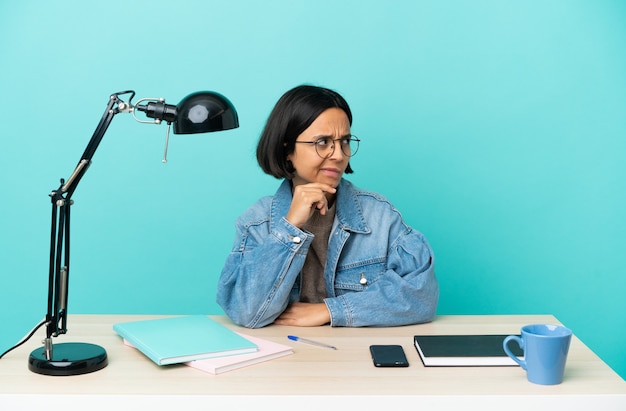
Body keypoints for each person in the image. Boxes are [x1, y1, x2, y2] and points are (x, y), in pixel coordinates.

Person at [217, 85, 438, 328]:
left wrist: (330, 311)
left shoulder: (379, 216)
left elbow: (422, 295)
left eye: (344, 141)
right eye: (322, 142)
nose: (338, 154)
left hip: (356, 356)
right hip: (285, 357)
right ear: (287, 149)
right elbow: (245, 311)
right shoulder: (256, 223)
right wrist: (290, 228)